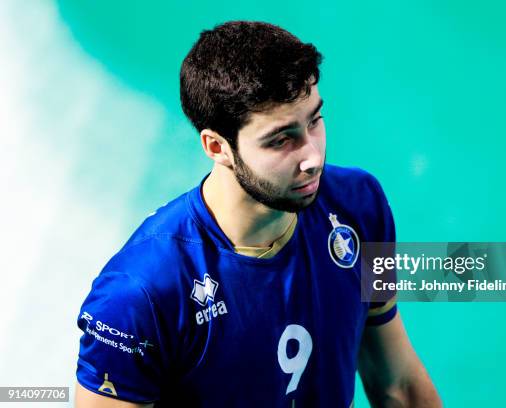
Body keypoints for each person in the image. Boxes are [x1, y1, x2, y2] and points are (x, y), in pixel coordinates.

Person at [74, 20, 441, 407]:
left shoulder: (359, 205)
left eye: (314, 121)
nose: (313, 158)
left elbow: (398, 384)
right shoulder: (139, 294)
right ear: (217, 147)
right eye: (282, 139)